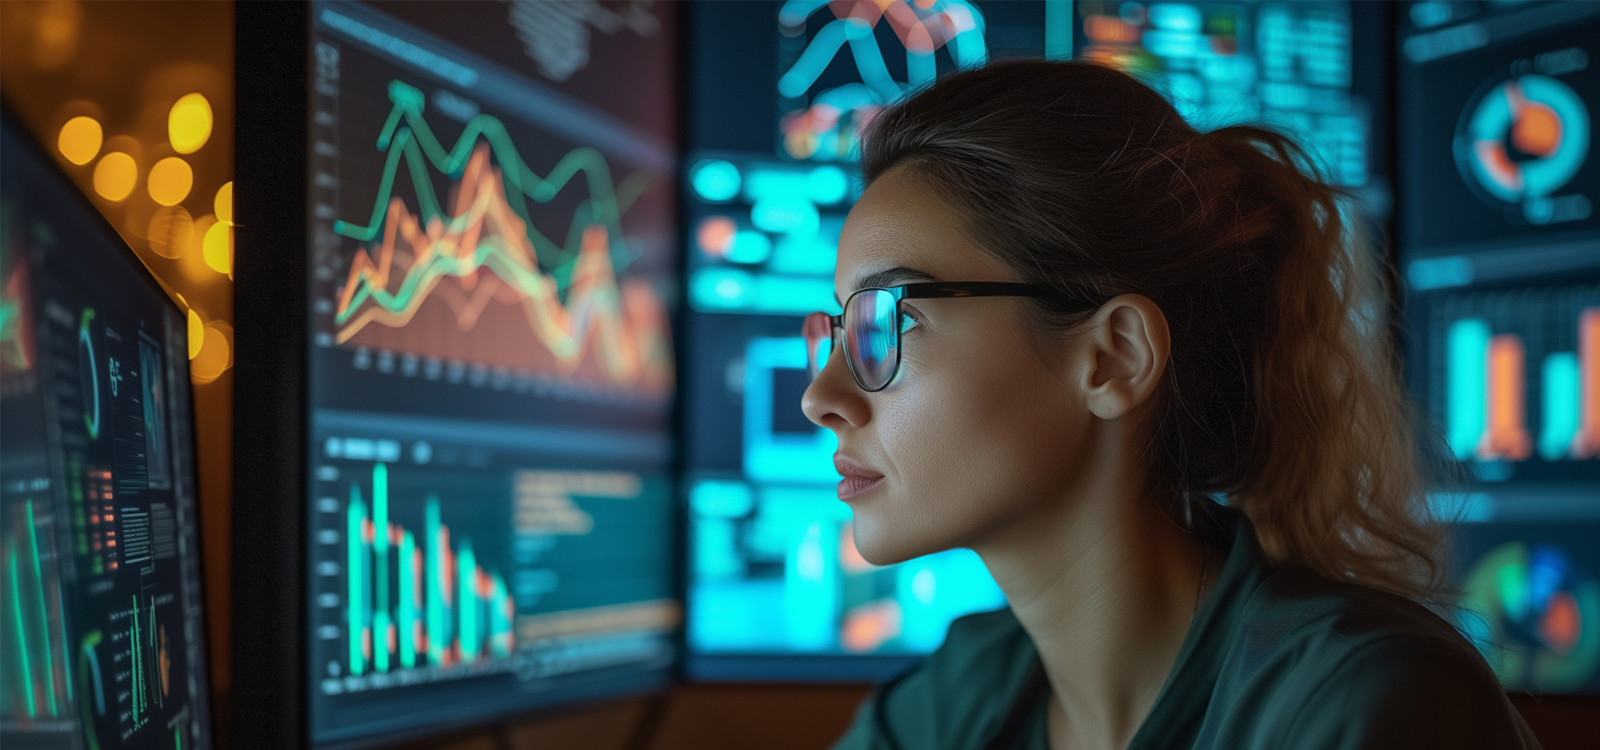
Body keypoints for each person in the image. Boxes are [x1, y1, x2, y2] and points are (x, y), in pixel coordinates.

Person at [800, 60, 1541, 750]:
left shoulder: (1370, 703)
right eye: (835, 331)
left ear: (1113, 357)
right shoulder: (955, 701)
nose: (819, 397)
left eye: (884, 323)